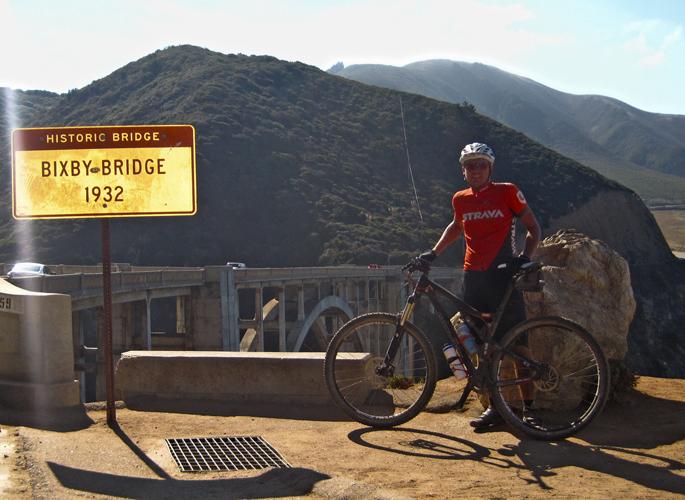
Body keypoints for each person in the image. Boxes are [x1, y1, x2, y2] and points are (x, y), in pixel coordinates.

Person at [419, 142, 541, 430]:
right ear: (463, 171)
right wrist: (433, 253)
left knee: (518, 345)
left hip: (502, 277)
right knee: (483, 347)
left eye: (481, 164)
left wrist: (524, 259)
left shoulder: (508, 191)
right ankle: (498, 410)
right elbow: (456, 226)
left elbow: (533, 228)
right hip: (473, 279)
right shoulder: (460, 199)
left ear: (490, 168)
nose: (476, 170)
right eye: (470, 165)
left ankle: (530, 410)